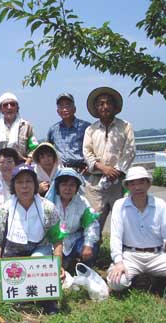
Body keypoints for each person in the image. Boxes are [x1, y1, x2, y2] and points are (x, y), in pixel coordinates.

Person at [0, 164, 64, 314]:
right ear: (13, 186)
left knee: (39, 261)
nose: (24, 186)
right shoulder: (5, 209)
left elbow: (57, 239)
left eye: (28, 181)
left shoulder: (48, 208)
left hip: (39, 249)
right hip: (13, 252)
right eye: (19, 182)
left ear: (35, 184)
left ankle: (48, 301)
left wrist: (57, 265)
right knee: (18, 297)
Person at [106, 166, 166, 291]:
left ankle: (160, 279)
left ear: (148, 184)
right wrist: (118, 262)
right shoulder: (120, 205)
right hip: (130, 254)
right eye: (133, 183)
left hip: (156, 255)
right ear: (128, 186)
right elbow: (116, 237)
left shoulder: (160, 204)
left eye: (141, 182)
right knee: (117, 282)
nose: (138, 187)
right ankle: (141, 279)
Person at [83, 86, 135, 234]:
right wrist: (102, 168)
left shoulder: (125, 126)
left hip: (119, 183)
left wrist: (116, 171)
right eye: (101, 103)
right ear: (96, 107)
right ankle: (93, 255)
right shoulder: (91, 129)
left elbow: (130, 151)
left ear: (114, 106)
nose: (105, 106)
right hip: (95, 183)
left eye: (108, 103)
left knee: (123, 222)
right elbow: (87, 152)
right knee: (94, 223)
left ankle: (120, 255)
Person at [45, 168, 100, 270]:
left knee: (92, 244)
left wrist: (88, 245)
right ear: (58, 186)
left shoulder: (82, 202)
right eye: (64, 185)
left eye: (72, 185)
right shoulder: (49, 202)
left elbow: (91, 224)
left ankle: (84, 271)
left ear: (76, 187)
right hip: (52, 243)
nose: (68, 188)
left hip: (74, 239)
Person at [46, 93, 91, 172]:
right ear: (58, 111)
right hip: (60, 171)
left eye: (67, 106)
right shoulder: (53, 129)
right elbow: (47, 150)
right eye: (61, 106)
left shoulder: (86, 127)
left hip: (81, 171)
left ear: (74, 109)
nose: (64, 109)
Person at [0, 92, 37, 162]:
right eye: (5, 105)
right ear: (0, 109)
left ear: (17, 108)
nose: (9, 107)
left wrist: (28, 160)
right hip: (2, 168)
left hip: (22, 166)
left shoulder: (26, 126)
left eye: (12, 104)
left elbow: (34, 148)